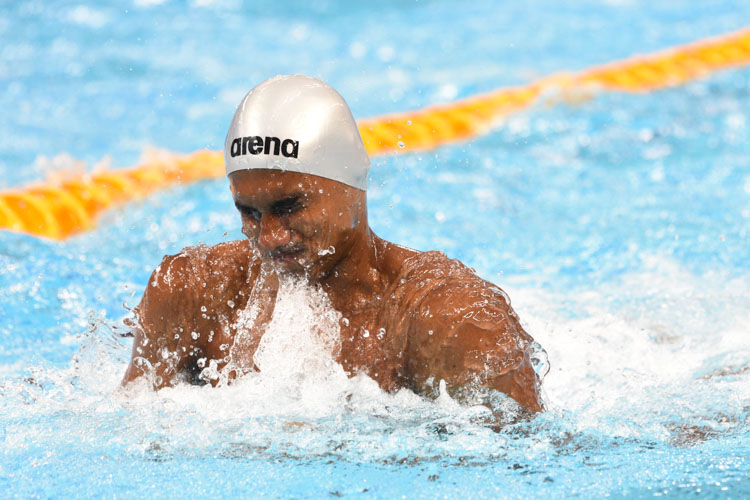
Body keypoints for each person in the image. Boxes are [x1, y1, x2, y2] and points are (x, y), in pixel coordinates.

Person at [122, 74, 547, 415]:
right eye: (249, 212)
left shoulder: (445, 320)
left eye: (290, 206)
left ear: (351, 186)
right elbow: (129, 433)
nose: (269, 237)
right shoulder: (192, 292)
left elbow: (528, 467)